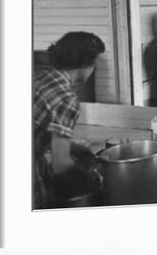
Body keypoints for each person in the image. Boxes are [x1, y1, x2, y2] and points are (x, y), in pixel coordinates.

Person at [33, 32, 105, 209]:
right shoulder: (67, 99)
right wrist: (94, 179)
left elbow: (37, 129)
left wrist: (74, 147)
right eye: (94, 63)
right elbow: (61, 166)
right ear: (84, 64)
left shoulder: (41, 78)